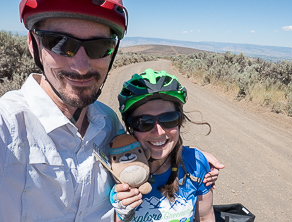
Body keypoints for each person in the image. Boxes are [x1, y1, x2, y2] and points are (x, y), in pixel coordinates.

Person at [0, 1, 223, 221]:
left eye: (99, 46)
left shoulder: (108, 122)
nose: (81, 65)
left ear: (112, 52)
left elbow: (147, 142)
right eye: (59, 43)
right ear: (33, 44)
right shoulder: (7, 125)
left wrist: (189, 156)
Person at [111, 69, 215, 221]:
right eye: (144, 122)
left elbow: (205, 217)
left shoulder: (195, 163)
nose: (158, 131)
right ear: (130, 127)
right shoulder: (113, 170)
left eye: (169, 119)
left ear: (180, 122)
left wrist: (197, 159)